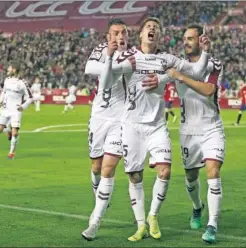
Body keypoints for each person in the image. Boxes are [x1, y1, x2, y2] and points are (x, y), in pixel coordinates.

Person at [115, 17, 210, 241]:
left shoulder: (166, 59)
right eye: (149, 27)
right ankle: (140, 225)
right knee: (135, 175)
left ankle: (153, 216)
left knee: (165, 171)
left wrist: (166, 76)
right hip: (131, 125)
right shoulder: (129, 57)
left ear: (160, 36)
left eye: (156, 29)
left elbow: (196, 71)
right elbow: (106, 72)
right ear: (140, 34)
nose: (152, 30)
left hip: (157, 125)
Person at [81, 18, 149, 241]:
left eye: (124, 33)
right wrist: (108, 59)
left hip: (121, 119)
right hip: (99, 117)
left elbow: (109, 78)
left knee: (108, 168)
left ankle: (94, 222)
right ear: (108, 37)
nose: (120, 36)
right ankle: (99, 200)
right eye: (116, 33)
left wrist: (110, 62)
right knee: (96, 165)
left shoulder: (134, 55)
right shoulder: (100, 49)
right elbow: (89, 68)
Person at [165, 24, 225, 244]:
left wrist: (181, 78)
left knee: (213, 170)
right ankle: (197, 207)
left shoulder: (213, 64)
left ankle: (212, 225)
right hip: (188, 130)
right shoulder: (178, 64)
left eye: (190, 38)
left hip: (211, 127)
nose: (186, 42)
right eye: (184, 38)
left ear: (202, 40)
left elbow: (209, 91)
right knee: (191, 176)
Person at [0, 62, 33, 159]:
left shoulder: (23, 83)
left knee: (15, 133)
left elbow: (31, 98)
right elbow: (4, 92)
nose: (8, 69)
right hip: (5, 108)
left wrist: (23, 106)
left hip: (16, 110)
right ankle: (8, 131)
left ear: (14, 70)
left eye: (10, 68)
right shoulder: (7, 80)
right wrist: (0, 101)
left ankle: (11, 152)